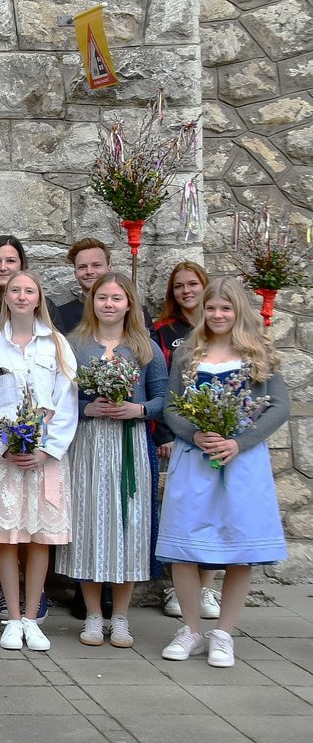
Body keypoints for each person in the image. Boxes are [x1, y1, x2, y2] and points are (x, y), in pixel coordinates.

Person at [157, 278, 290, 668]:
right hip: (195, 460)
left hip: (240, 463)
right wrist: (194, 433)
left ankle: (224, 634)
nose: (217, 315)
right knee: (184, 547)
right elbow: (171, 407)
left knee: (238, 550)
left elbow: (279, 407)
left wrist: (239, 442)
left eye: (226, 309)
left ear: (239, 312)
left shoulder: (257, 353)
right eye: (212, 308)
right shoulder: (188, 354)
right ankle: (192, 630)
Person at [0, 269, 79, 653]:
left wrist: (48, 449)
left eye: (29, 290)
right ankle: (12, 618)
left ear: (38, 297)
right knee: (7, 537)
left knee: (39, 538)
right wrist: (4, 445)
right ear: (6, 295)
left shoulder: (56, 345)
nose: (22, 296)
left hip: (44, 457)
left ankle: (33, 617)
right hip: (4, 458)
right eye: (16, 290)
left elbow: (67, 402)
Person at [61, 272, 167, 648]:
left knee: (128, 526)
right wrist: (90, 408)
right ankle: (92, 614)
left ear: (128, 304)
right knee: (89, 523)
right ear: (93, 303)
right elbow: (62, 398)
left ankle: (120, 617)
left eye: (116, 298)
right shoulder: (75, 346)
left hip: (129, 444)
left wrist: (136, 408)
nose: (109, 304)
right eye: (102, 297)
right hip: (88, 444)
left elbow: (163, 400)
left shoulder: (144, 346)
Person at [151, 261, 219, 619]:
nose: (186, 291)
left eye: (192, 284)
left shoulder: (222, 327)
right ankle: (176, 590)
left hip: (217, 436)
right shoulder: (164, 330)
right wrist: (166, 433)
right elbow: (161, 385)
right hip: (177, 436)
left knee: (211, 510)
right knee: (178, 514)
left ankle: (207, 588)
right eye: (179, 286)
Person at [47, 238, 110, 333]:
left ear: (109, 269)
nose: (89, 271)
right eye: (82, 267)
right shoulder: (60, 316)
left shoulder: (128, 312)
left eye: (96, 265)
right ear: (75, 273)